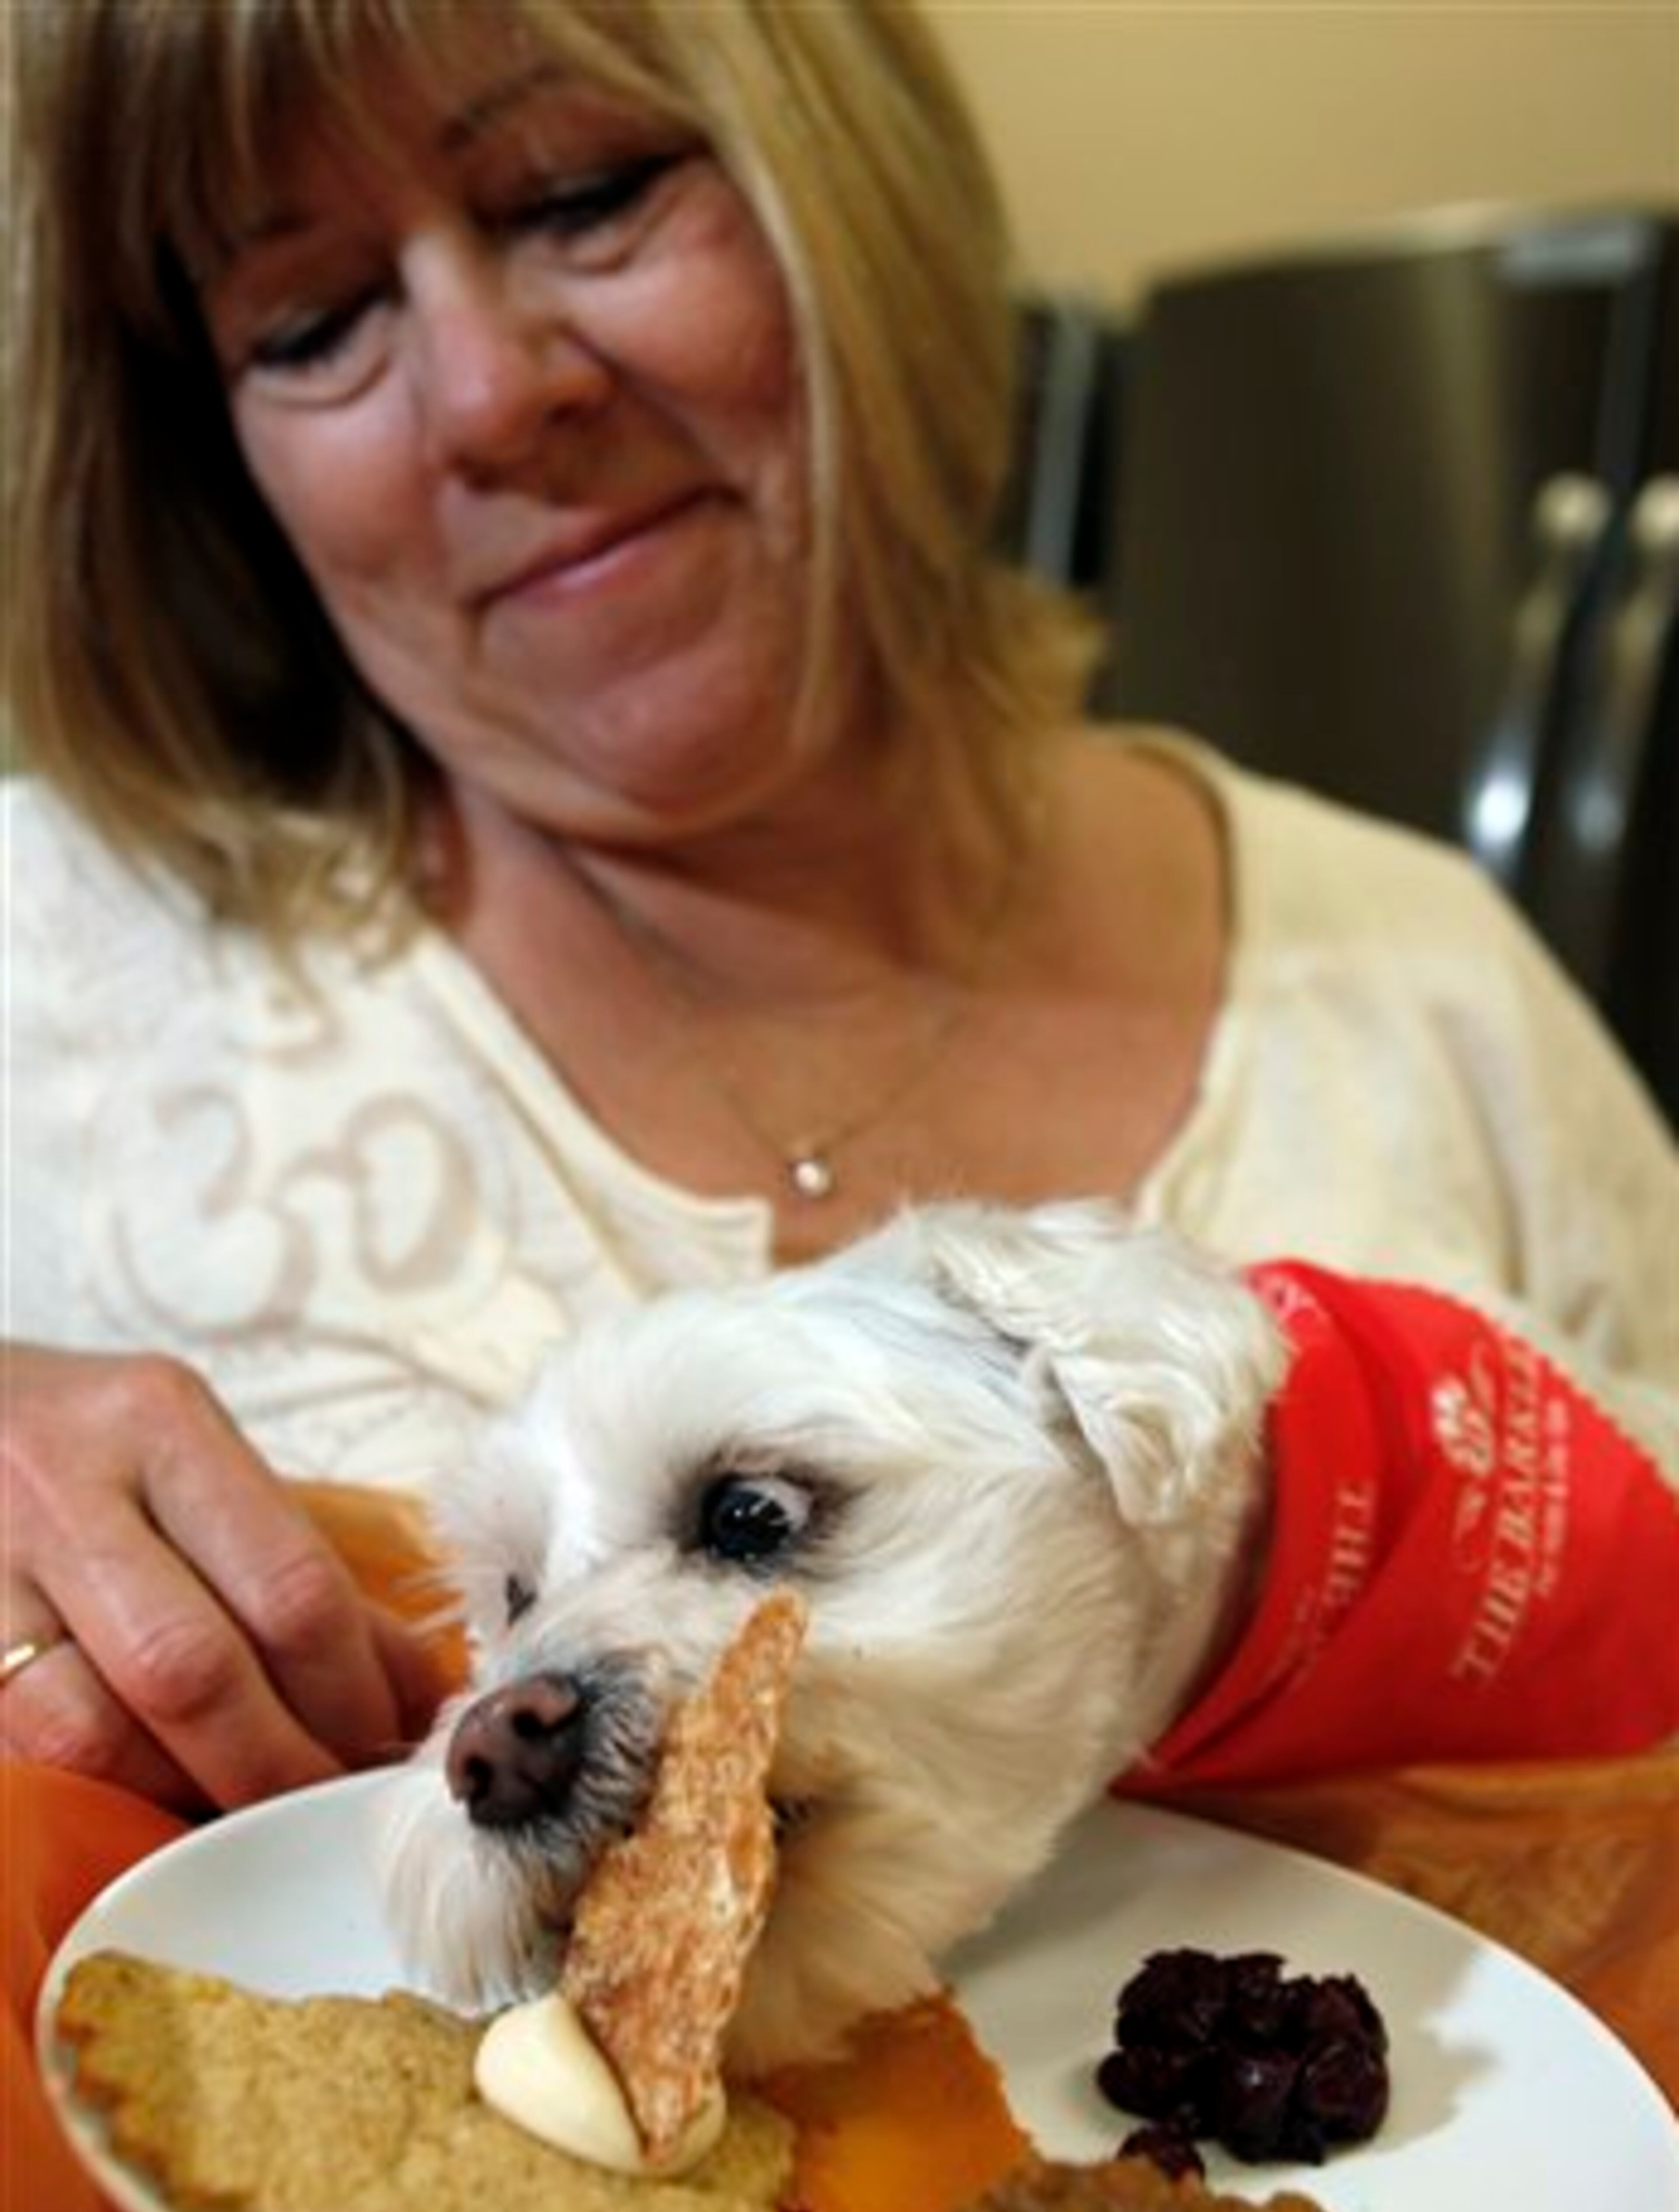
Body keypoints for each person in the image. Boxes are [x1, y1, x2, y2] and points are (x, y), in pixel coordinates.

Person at [3, 0, 1677, 1825]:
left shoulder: (1432, 983)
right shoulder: (60, 951)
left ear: (848, 194)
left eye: (579, 194)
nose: (491, 393)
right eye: (313, 325)